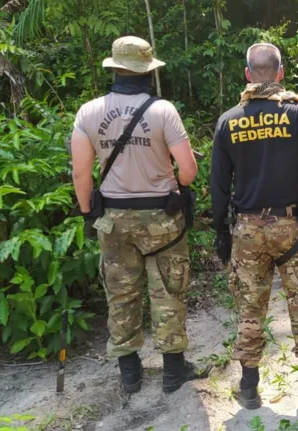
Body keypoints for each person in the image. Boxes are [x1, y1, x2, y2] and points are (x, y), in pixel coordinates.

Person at [71, 36, 210, 394]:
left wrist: (88, 213)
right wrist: (177, 189)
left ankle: (130, 375)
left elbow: (81, 174)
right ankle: (172, 373)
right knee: (167, 290)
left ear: (114, 68)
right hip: (161, 218)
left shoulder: (88, 112)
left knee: (121, 294)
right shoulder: (163, 111)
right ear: (148, 71)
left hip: (114, 219)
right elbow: (189, 170)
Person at [211, 42, 298, 409]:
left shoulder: (229, 119)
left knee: (250, 307)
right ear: (280, 73)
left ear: (248, 75)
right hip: (288, 225)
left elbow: (218, 185)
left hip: (247, 229)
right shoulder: (296, 111)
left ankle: (249, 388)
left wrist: (221, 232)